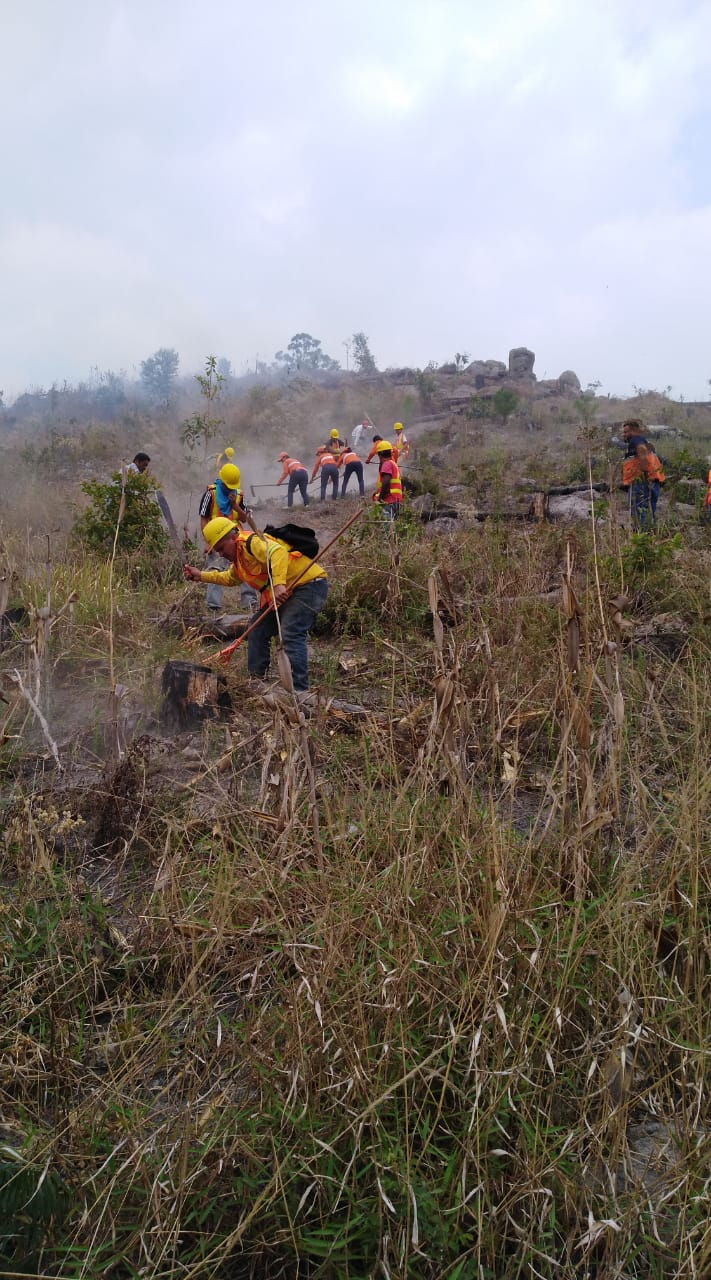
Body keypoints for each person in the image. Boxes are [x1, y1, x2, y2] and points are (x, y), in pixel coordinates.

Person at [184, 517, 328, 691]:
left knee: (291, 632)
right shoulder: (239, 558)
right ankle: (257, 681)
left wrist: (278, 584)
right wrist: (201, 575)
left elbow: (277, 552)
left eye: (221, 548)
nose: (221, 554)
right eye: (217, 551)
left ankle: (300, 691)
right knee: (257, 627)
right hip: (285, 592)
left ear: (232, 537)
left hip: (308, 585)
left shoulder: (250, 542)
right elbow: (230, 578)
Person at [198, 458, 257, 613]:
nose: (229, 489)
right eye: (227, 486)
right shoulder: (210, 494)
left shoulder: (238, 495)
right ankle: (213, 606)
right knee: (214, 568)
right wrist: (207, 542)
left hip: (235, 537)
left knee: (245, 564)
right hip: (216, 539)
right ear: (221, 482)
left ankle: (249, 602)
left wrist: (235, 505)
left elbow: (244, 518)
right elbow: (204, 519)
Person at [621, 419, 665, 530]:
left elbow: (642, 452)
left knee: (638, 512)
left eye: (626, 432)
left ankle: (642, 538)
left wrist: (644, 475)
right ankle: (650, 536)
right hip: (653, 481)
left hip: (642, 482)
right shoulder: (645, 441)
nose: (624, 435)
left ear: (634, 431)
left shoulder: (636, 441)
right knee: (649, 511)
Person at [373, 440, 402, 520]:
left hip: (389, 501)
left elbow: (386, 483)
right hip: (396, 501)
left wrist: (380, 499)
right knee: (393, 528)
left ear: (380, 455)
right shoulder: (393, 464)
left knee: (387, 528)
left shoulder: (387, 464)